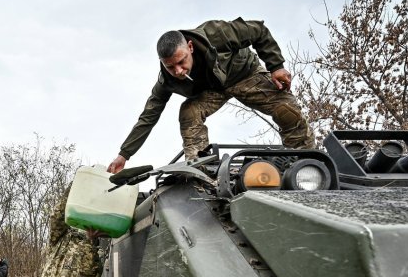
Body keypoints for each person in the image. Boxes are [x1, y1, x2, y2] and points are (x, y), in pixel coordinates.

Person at [107, 18, 316, 173]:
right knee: (189, 111)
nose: (179, 71)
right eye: (170, 67)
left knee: (286, 110)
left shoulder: (215, 34)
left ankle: (304, 161)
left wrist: (276, 66)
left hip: (245, 74)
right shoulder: (166, 81)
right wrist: (124, 154)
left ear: (190, 47)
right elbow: (148, 117)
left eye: (182, 62)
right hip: (213, 91)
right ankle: (200, 168)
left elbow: (258, 31)